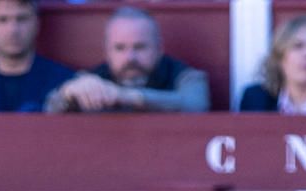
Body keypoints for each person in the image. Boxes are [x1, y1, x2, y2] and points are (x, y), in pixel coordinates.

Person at [46, 6, 208, 114]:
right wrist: (68, 93)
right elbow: (49, 110)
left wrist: (127, 96)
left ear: (160, 49)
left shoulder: (184, 76)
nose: (130, 58)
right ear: (107, 51)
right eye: (120, 48)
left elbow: (196, 104)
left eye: (139, 47)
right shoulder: (92, 78)